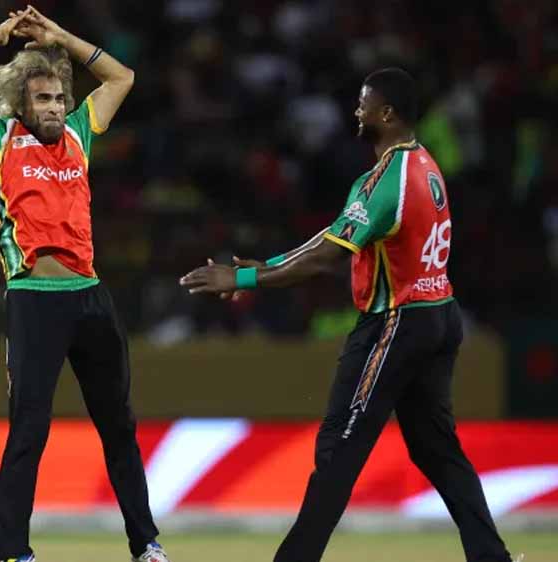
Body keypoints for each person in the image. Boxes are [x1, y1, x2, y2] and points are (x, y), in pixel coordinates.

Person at [180, 68, 516, 562]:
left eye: (364, 103)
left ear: (388, 113)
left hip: (396, 322)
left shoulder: (384, 182)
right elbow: (334, 236)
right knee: (437, 450)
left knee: (339, 448)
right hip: (438, 315)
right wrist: (264, 265)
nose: (356, 111)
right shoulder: (422, 164)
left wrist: (244, 280)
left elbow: (325, 257)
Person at [0, 6, 168, 562]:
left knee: (118, 426)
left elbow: (122, 77)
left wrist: (60, 38)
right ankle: (14, 553)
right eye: (42, 99)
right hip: (34, 300)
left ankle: (146, 544)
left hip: (91, 297)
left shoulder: (79, 132)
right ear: (21, 102)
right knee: (28, 431)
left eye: (58, 98)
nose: (53, 107)